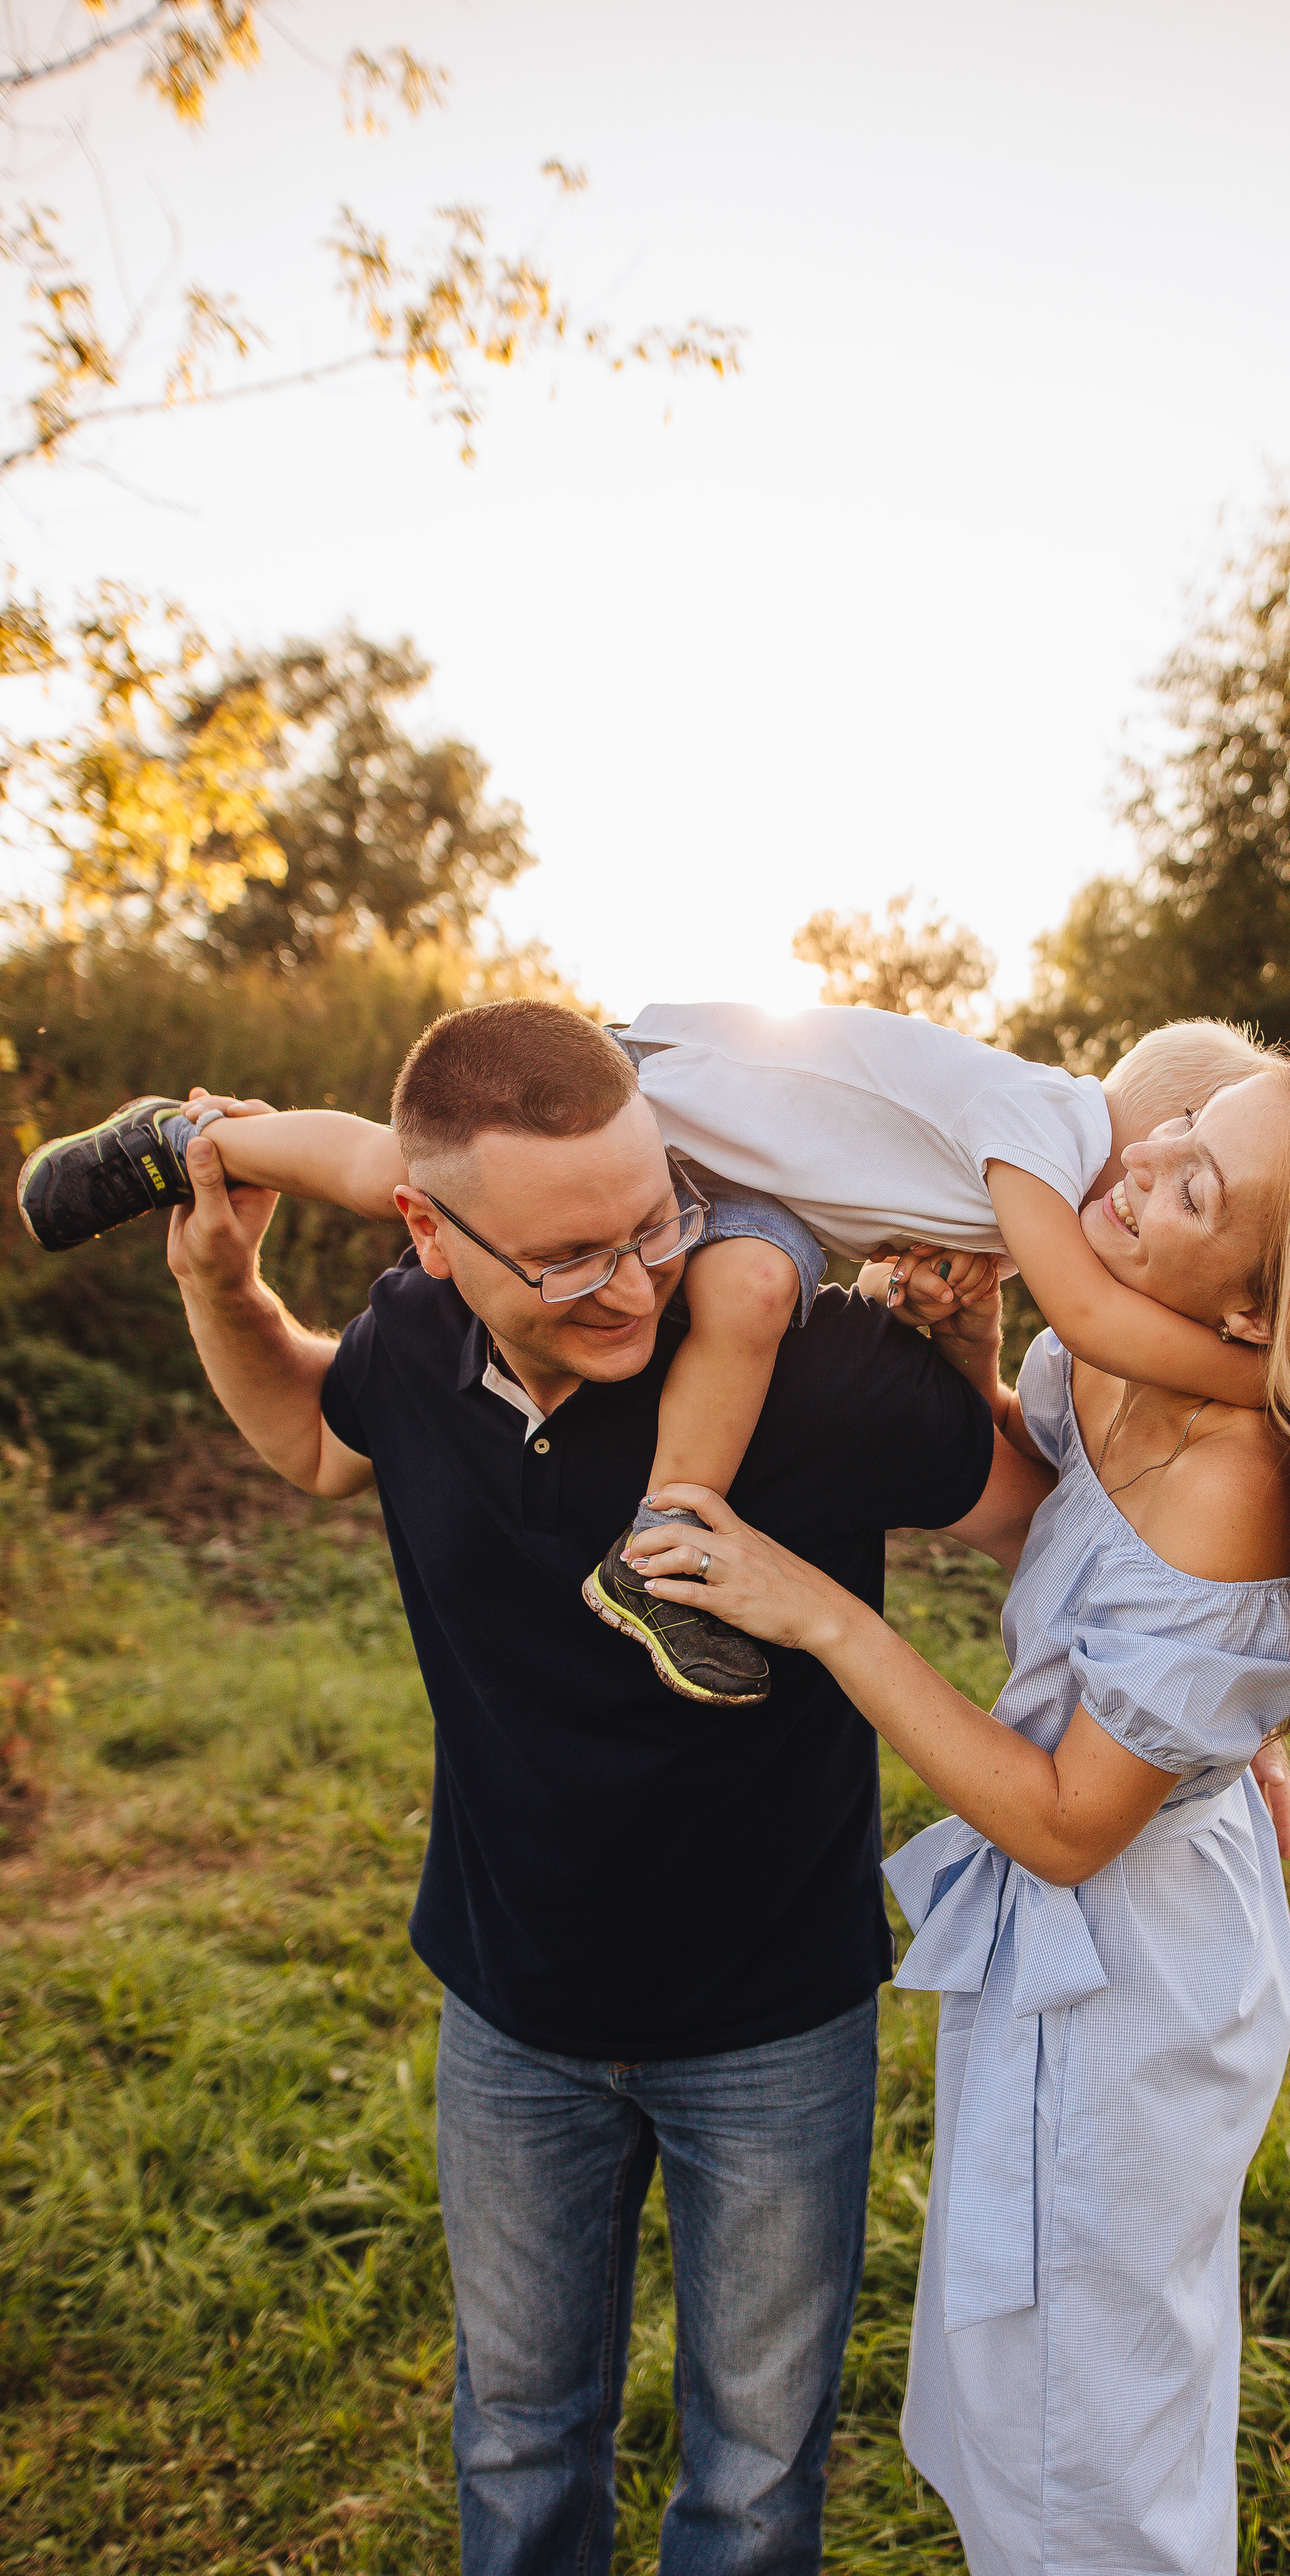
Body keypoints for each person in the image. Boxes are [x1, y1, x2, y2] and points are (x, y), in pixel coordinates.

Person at [137, 995, 1069, 2576]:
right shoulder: (415, 1343)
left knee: (757, 2478)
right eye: (566, 1260)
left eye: (650, 1227)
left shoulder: (819, 1372)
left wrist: (1196, 1708)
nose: (630, 1283)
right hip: (510, 2015)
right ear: (431, 1233)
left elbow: (1050, 1529)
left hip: (777, 2022)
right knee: (516, 2444)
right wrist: (223, 1279)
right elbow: (310, 1440)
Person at [623, 1051, 1290, 2575]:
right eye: (1176, 1127)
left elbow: (1059, 1821)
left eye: (1193, 1185)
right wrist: (974, 1342)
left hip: (1128, 1971)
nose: (1137, 1161)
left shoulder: (1237, 1476)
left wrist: (822, 1616)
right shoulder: (1117, 1349)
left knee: (1090, 2428)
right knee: (1020, 2379)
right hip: (1062, 1941)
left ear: (1254, 1312)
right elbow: (1057, 1524)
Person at [15, 1003, 1274, 1705]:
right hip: (677, 1113)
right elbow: (1099, 1323)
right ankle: (188, 1145)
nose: (1139, 1237)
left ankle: (199, 1137)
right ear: (1155, 1140)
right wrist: (1285, 1380)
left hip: (730, 1146)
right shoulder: (1044, 1134)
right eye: (1188, 1187)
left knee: (727, 1266)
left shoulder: (1033, 1168)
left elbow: (1048, 1497)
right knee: (727, 1276)